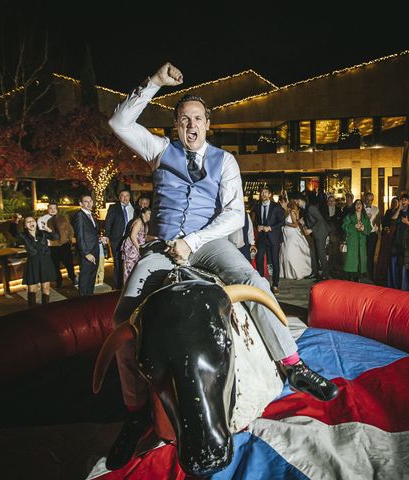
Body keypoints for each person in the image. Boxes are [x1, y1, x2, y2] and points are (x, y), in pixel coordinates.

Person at [106, 62, 338, 470]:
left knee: (254, 280)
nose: (191, 125)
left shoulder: (225, 161)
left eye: (197, 119)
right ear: (175, 125)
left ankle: (292, 365)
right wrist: (154, 83)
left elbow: (233, 215)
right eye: (183, 119)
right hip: (160, 247)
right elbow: (119, 120)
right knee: (122, 321)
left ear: (207, 124)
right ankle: (134, 410)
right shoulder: (160, 150)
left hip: (207, 244)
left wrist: (192, 241)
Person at [19, 216, 59, 306]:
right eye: (28, 222)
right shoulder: (24, 236)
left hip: (45, 262)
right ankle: (32, 312)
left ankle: (45, 309)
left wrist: (47, 228)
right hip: (33, 263)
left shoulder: (42, 233)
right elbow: (13, 233)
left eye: (32, 221)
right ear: (25, 226)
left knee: (46, 288)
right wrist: (15, 222)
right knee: (32, 290)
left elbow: (56, 237)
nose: (31, 223)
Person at [254, 187, 285, 294]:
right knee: (259, 259)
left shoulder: (276, 207)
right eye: (262, 193)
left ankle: (275, 284)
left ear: (270, 194)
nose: (263, 194)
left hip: (274, 238)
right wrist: (257, 226)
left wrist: (270, 228)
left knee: (275, 261)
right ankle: (261, 282)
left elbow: (282, 222)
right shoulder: (257, 206)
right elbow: (256, 220)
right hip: (262, 238)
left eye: (266, 192)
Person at [388, 193, 409, 293]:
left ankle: (408, 289)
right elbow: (392, 220)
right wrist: (398, 209)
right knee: (399, 265)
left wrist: (407, 223)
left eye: (406, 200)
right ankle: (399, 288)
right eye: (402, 200)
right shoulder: (399, 212)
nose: (404, 202)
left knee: (407, 266)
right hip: (398, 242)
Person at [105, 189, 136, 290]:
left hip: (131, 240)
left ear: (129, 197)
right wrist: (110, 237)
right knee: (118, 262)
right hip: (117, 240)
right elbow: (108, 223)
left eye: (127, 195)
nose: (125, 197)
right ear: (119, 197)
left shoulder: (135, 208)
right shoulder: (113, 208)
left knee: (131, 262)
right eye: (122, 195)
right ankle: (118, 286)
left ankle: (129, 284)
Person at [72, 194, 101, 296]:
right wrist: (86, 253)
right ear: (81, 204)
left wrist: (100, 239)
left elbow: (91, 233)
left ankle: (89, 299)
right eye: (86, 201)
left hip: (95, 250)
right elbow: (79, 236)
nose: (89, 203)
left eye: (90, 201)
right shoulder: (80, 216)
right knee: (85, 277)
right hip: (87, 252)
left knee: (92, 276)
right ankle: (82, 302)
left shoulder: (90, 214)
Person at [279, 198, 312, 279]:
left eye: (282, 203)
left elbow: (295, 225)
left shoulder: (292, 212)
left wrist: (285, 223)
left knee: (290, 254)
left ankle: (296, 272)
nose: (280, 204)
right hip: (286, 235)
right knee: (284, 253)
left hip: (292, 235)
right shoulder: (285, 212)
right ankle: (287, 273)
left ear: (286, 203)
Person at [46, 202, 77, 288]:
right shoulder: (44, 220)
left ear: (57, 210)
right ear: (47, 209)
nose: (52, 210)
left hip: (64, 245)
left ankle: (72, 278)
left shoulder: (63, 218)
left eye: (54, 208)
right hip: (53, 246)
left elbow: (70, 230)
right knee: (55, 266)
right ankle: (58, 281)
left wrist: (69, 239)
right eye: (50, 208)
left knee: (69, 264)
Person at [302, 192, 331, 280]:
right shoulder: (306, 208)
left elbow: (320, 220)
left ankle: (325, 275)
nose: (296, 203)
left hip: (321, 232)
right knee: (314, 253)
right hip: (315, 233)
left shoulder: (311, 207)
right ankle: (315, 273)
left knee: (321, 253)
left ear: (300, 200)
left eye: (296, 201)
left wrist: (311, 229)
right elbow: (311, 220)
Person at [342, 199, 372, 281]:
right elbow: (344, 226)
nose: (358, 205)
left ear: (362, 206)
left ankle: (359, 277)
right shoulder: (350, 216)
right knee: (352, 260)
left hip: (362, 242)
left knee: (361, 259)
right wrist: (353, 226)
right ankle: (351, 277)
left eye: (360, 204)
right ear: (354, 206)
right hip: (352, 241)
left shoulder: (365, 217)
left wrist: (363, 228)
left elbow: (369, 229)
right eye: (357, 204)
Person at [121, 207, 153, 284]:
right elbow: (133, 235)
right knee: (130, 269)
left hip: (137, 247)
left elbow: (144, 237)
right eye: (149, 213)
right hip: (132, 247)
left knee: (136, 269)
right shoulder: (139, 222)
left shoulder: (145, 224)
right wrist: (138, 248)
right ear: (143, 214)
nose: (150, 215)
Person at [376, 197, 399, 284]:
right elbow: (385, 222)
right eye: (393, 202)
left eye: (395, 202)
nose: (394, 204)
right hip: (387, 235)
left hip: (395, 236)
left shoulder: (399, 212)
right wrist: (386, 227)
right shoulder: (388, 211)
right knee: (384, 254)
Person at [324, 194, 344, 278]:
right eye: (330, 201)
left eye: (333, 201)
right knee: (328, 251)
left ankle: (336, 268)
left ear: (335, 202)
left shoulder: (339, 210)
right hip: (326, 233)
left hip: (336, 234)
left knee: (336, 251)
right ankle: (328, 268)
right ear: (327, 202)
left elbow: (340, 221)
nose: (331, 202)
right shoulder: (324, 209)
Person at [363, 192, 380, 279]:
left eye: (371, 200)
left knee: (371, 255)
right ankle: (361, 273)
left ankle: (370, 275)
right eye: (367, 200)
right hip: (362, 234)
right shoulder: (360, 208)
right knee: (362, 254)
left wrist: (378, 230)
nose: (369, 202)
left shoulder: (376, 209)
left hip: (372, 234)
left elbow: (378, 221)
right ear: (364, 199)